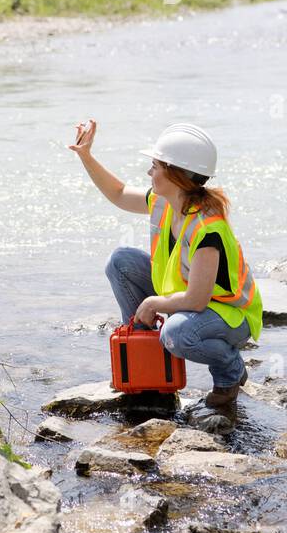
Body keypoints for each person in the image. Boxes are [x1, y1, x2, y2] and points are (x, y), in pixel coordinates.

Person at [68, 119, 263, 409]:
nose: (149, 171)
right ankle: (145, 362)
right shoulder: (164, 201)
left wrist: (151, 304)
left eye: (156, 166)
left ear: (175, 175)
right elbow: (119, 194)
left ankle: (229, 372)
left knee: (176, 334)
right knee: (120, 261)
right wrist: (86, 156)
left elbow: (197, 300)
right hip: (188, 298)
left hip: (229, 313)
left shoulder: (208, 227)